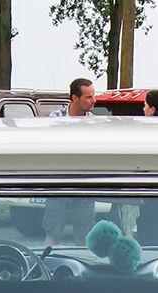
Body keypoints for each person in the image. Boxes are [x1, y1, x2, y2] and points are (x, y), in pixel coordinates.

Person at [43, 77, 97, 246]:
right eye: (88, 97)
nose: (93, 101)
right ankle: (43, 269)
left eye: (93, 95)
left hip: (85, 186)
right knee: (53, 234)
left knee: (83, 236)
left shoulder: (94, 122)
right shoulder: (54, 119)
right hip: (59, 184)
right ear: (75, 98)